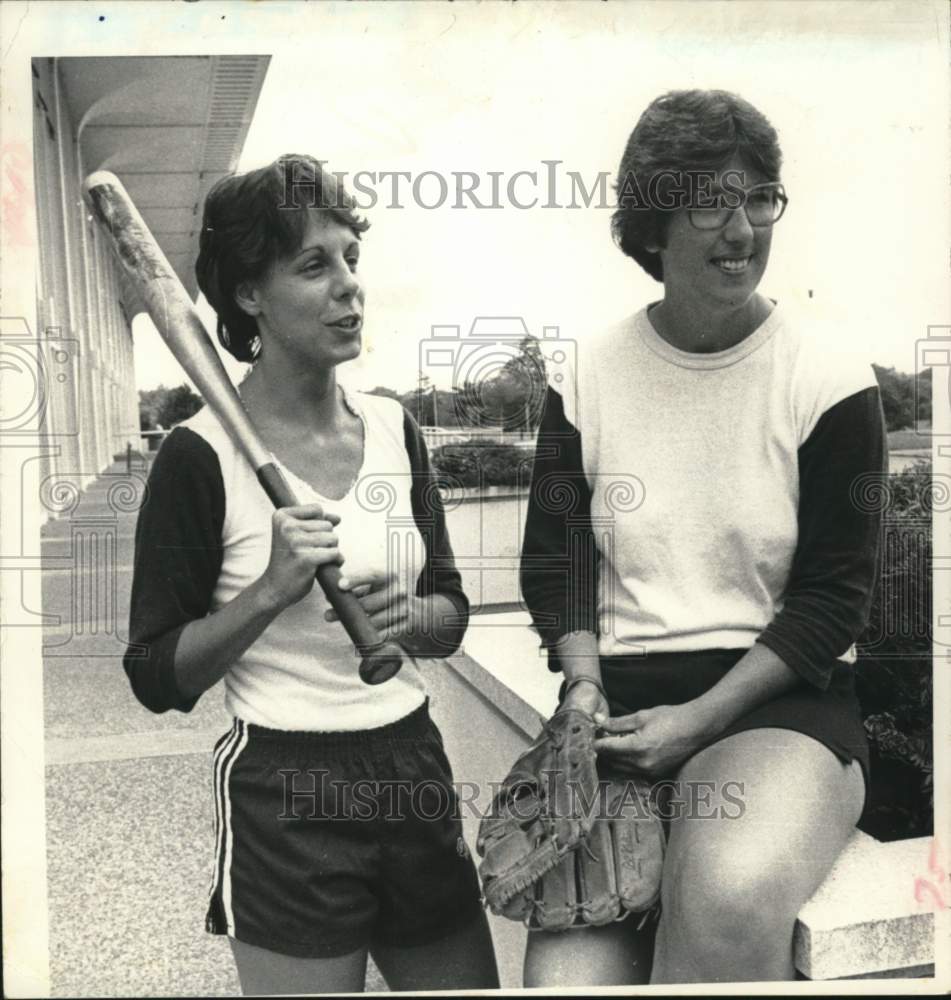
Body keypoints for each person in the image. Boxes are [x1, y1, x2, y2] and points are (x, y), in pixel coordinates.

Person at [519, 90, 886, 985]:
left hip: (777, 707)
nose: (741, 229)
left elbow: (834, 598)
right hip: (617, 713)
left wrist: (698, 722)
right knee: (563, 984)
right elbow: (557, 564)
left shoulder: (826, 376)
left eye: (758, 198)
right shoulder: (584, 373)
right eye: (709, 203)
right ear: (652, 224)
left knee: (723, 898)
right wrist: (582, 689)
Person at [122, 154, 499, 995]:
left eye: (350, 259)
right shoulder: (197, 457)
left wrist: (414, 619)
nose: (348, 286)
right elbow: (155, 675)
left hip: (412, 767)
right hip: (284, 787)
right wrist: (269, 592)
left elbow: (450, 613)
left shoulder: (395, 428)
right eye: (312, 265)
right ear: (249, 295)